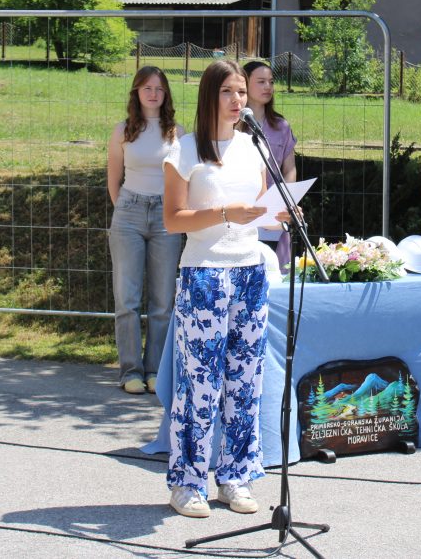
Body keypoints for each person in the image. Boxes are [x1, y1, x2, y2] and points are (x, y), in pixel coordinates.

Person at [162, 59, 290, 519]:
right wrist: (223, 214)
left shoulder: (254, 146)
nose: (239, 100)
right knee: (199, 384)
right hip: (204, 272)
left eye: (242, 92)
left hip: (250, 271)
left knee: (245, 381)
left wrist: (280, 214)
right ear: (209, 96)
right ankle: (187, 482)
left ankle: (235, 477)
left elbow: (261, 209)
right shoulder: (185, 149)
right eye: (229, 92)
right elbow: (172, 219)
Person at [107, 66, 184, 396]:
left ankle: (155, 371)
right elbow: (114, 178)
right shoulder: (123, 130)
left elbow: (184, 180)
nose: (153, 94)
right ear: (136, 92)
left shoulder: (178, 133)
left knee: (162, 301)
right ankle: (130, 371)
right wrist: (125, 209)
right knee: (127, 299)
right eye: (147, 88)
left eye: (159, 88)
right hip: (129, 213)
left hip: (167, 217)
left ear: (166, 94)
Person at [241, 60, 297, 271]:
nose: (268, 87)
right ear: (245, 83)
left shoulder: (281, 126)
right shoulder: (232, 126)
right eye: (261, 81)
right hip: (243, 209)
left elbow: (290, 168)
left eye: (271, 82)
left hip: (275, 208)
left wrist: (286, 197)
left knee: (275, 270)